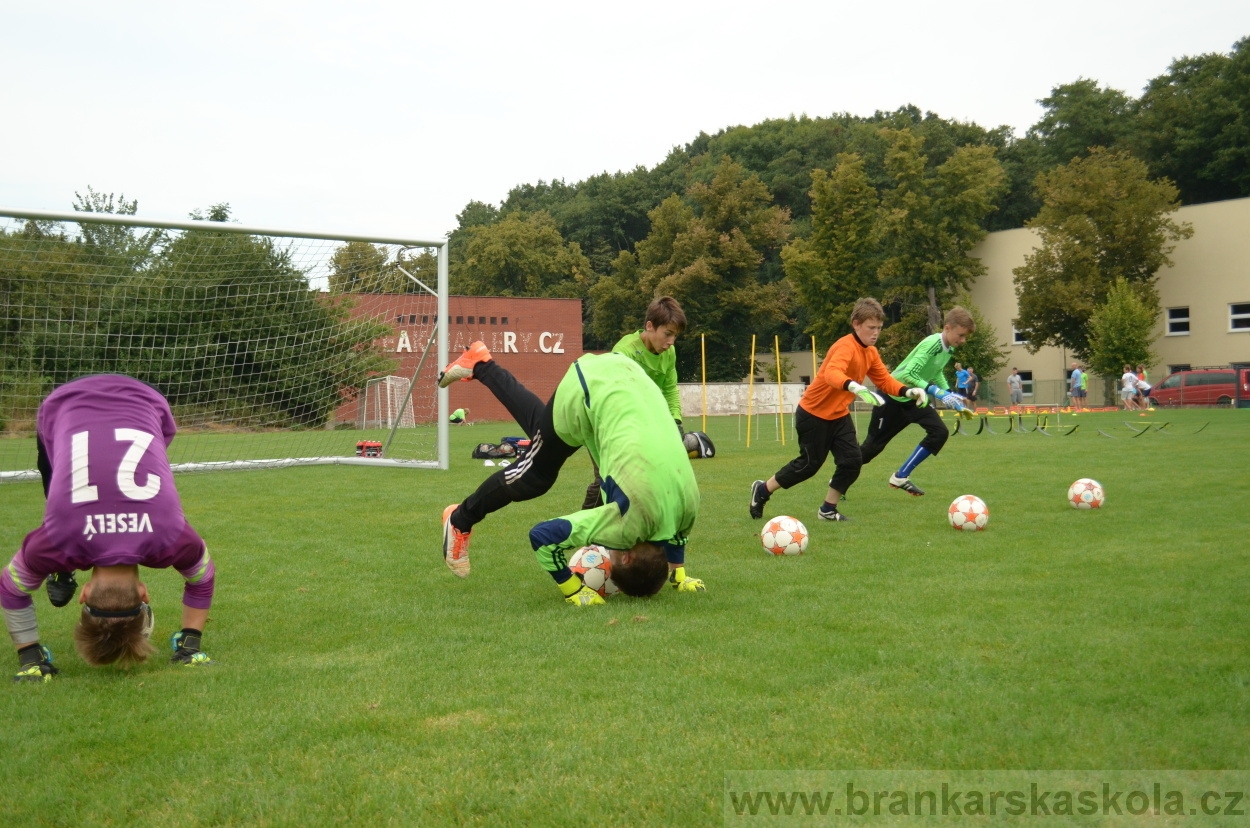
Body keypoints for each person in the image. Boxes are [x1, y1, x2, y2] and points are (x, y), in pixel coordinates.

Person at [436, 343, 702, 606]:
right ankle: (460, 519)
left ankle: (480, 363)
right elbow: (542, 536)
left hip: (628, 377)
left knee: (543, 433)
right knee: (534, 476)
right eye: (614, 560)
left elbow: (679, 538)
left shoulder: (688, 508)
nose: (608, 554)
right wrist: (574, 590)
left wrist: (680, 576)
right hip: (589, 388)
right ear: (628, 557)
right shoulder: (625, 525)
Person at [2, 375, 216, 683]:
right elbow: (10, 587)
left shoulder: (169, 536)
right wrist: (29, 655)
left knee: (57, 484)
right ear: (85, 594)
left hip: (145, 399)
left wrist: (191, 641)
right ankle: (59, 567)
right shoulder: (59, 539)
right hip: (64, 403)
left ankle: (61, 568)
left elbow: (203, 578)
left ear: (143, 594)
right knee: (58, 495)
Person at [748, 298, 927, 522]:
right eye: (871, 328)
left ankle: (827, 509)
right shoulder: (845, 346)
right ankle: (763, 490)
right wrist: (854, 386)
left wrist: (908, 392)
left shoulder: (870, 352)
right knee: (808, 466)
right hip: (813, 414)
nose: (875, 333)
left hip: (839, 415)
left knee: (852, 462)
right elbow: (832, 374)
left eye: (879, 328)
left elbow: (884, 380)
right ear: (856, 324)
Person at [858, 306, 976, 496]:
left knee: (939, 433)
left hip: (914, 398)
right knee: (872, 448)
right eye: (961, 335)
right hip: (892, 395)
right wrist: (938, 393)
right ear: (947, 327)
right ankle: (839, 479)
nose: (962, 340)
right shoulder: (932, 344)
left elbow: (936, 372)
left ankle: (901, 476)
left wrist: (951, 396)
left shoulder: (948, 348)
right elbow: (909, 373)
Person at [583, 296, 686, 510]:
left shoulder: (669, 353)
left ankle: (632, 532)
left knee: (645, 477)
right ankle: (584, 534)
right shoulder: (624, 353)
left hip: (637, 422)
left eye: (675, 336)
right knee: (607, 479)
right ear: (650, 326)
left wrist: (675, 421)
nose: (671, 342)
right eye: (667, 334)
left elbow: (669, 388)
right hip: (605, 421)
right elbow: (615, 400)